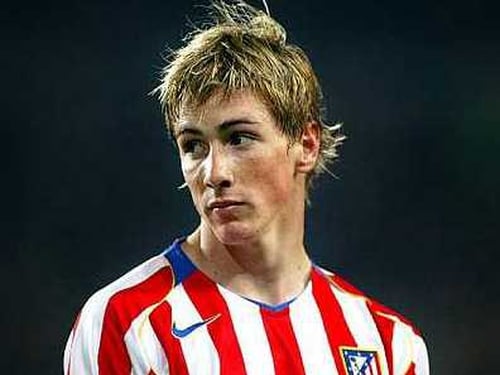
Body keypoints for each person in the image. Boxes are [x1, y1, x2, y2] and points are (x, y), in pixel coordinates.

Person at [63, 1, 429, 374]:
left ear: (306, 145)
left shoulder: (388, 344)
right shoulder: (126, 325)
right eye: (193, 145)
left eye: (238, 139)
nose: (213, 172)